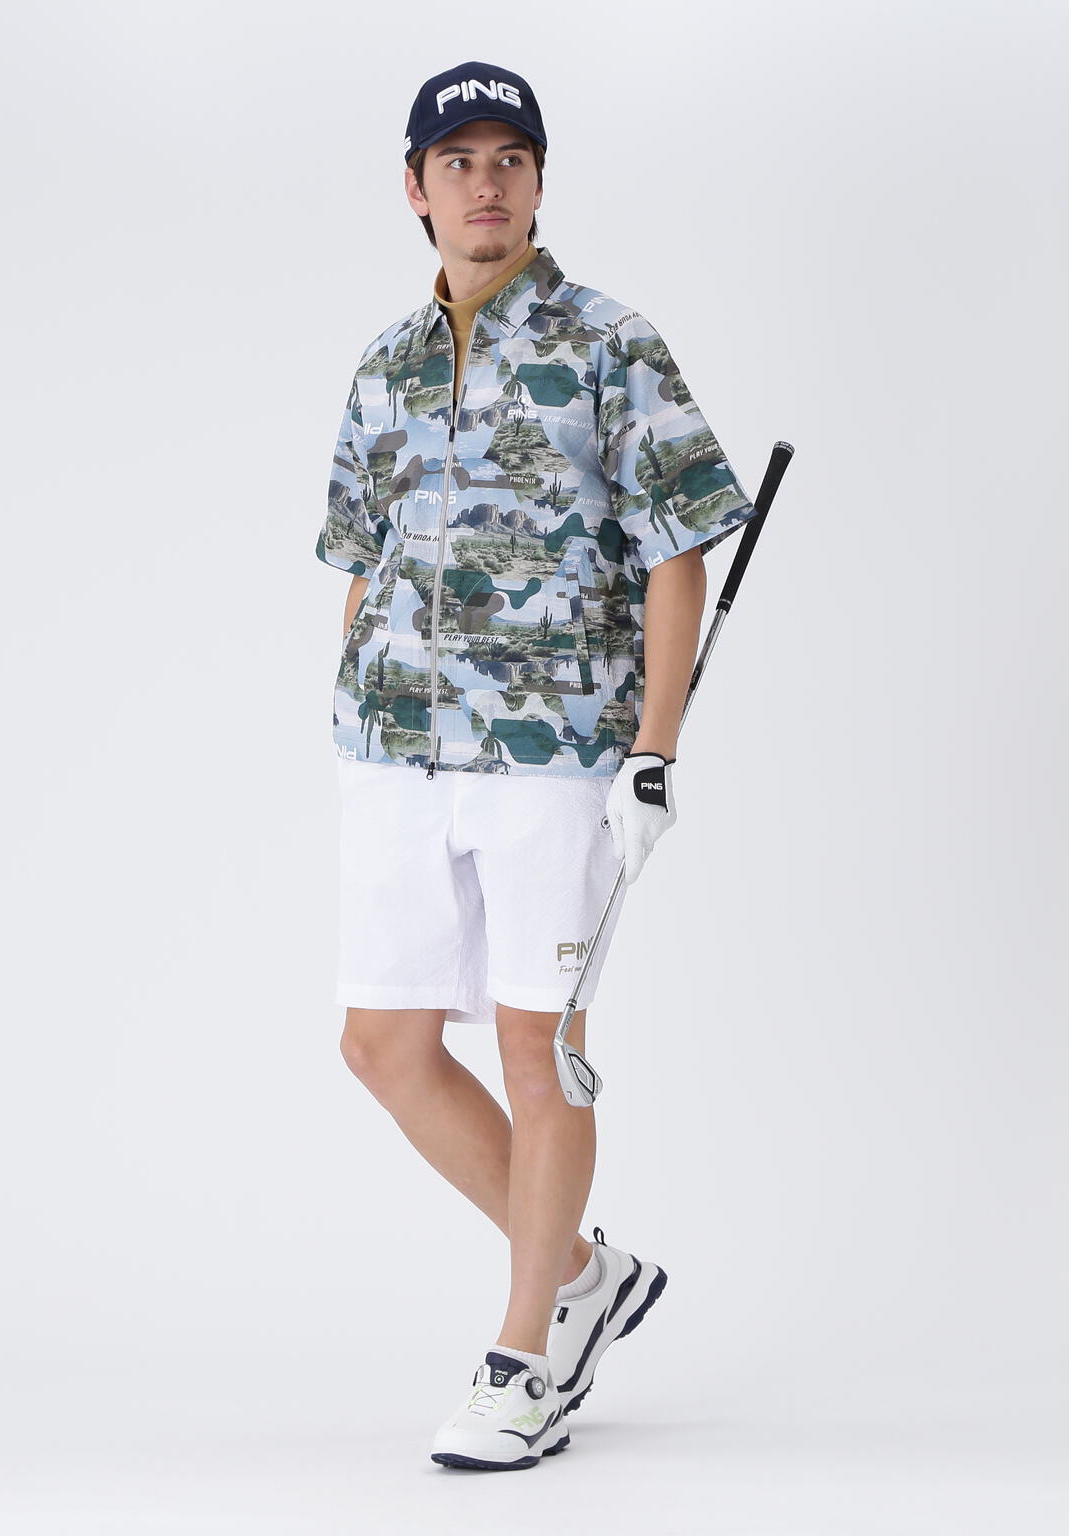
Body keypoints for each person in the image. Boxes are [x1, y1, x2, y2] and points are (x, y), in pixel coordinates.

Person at [315, 61, 759, 1470]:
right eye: (458, 161)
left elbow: (679, 552)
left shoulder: (612, 343)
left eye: (510, 158)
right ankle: (583, 1275)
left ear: (540, 180)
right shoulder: (383, 366)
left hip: (554, 748)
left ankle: (527, 1356)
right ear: (416, 188)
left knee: (535, 1044)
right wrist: (347, 706)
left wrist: (654, 750)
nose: (485, 183)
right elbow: (360, 558)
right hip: (394, 746)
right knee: (382, 1044)